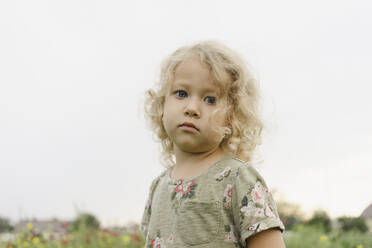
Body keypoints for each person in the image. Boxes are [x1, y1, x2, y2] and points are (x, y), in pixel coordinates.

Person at [140, 40, 286, 248]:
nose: (192, 108)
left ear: (232, 117)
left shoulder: (237, 178)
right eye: (181, 93)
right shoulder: (158, 186)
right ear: (162, 104)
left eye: (210, 99)